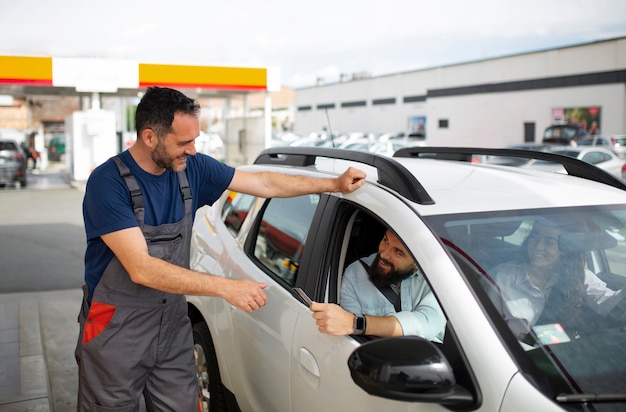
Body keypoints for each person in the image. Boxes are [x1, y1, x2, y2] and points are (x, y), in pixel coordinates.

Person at [75, 86, 366, 411]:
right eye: (184, 142)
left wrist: (332, 184)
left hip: (171, 324)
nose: (193, 150)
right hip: (115, 328)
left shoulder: (191, 168)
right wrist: (226, 287)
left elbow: (264, 183)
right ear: (149, 137)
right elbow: (140, 267)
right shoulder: (107, 183)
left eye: (195, 139)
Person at [487, 218, 624, 340]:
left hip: (566, 357)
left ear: (565, 248)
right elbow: (486, 328)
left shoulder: (579, 275)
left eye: (549, 241)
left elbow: (609, 304)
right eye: (534, 237)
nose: (538, 247)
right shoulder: (501, 278)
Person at [310, 229, 446, 342]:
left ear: (418, 263)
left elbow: (426, 323)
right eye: (385, 240)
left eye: (398, 252)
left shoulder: (438, 280)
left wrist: (358, 323)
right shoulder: (356, 274)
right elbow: (350, 335)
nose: (383, 254)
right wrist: (353, 324)